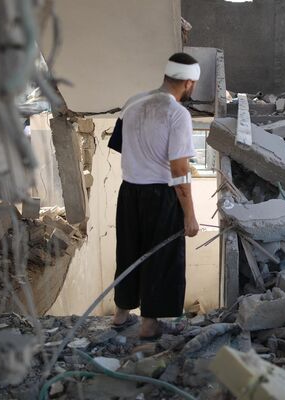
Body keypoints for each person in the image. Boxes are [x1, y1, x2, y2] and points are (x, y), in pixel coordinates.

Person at [112, 52, 200, 339]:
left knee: (128, 251)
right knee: (160, 258)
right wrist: (190, 215)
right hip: (160, 196)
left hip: (129, 192)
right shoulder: (178, 114)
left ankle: (121, 315)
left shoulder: (132, 103)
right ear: (189, 83)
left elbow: (123, 146)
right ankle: (149, 325)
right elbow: (179, 170)